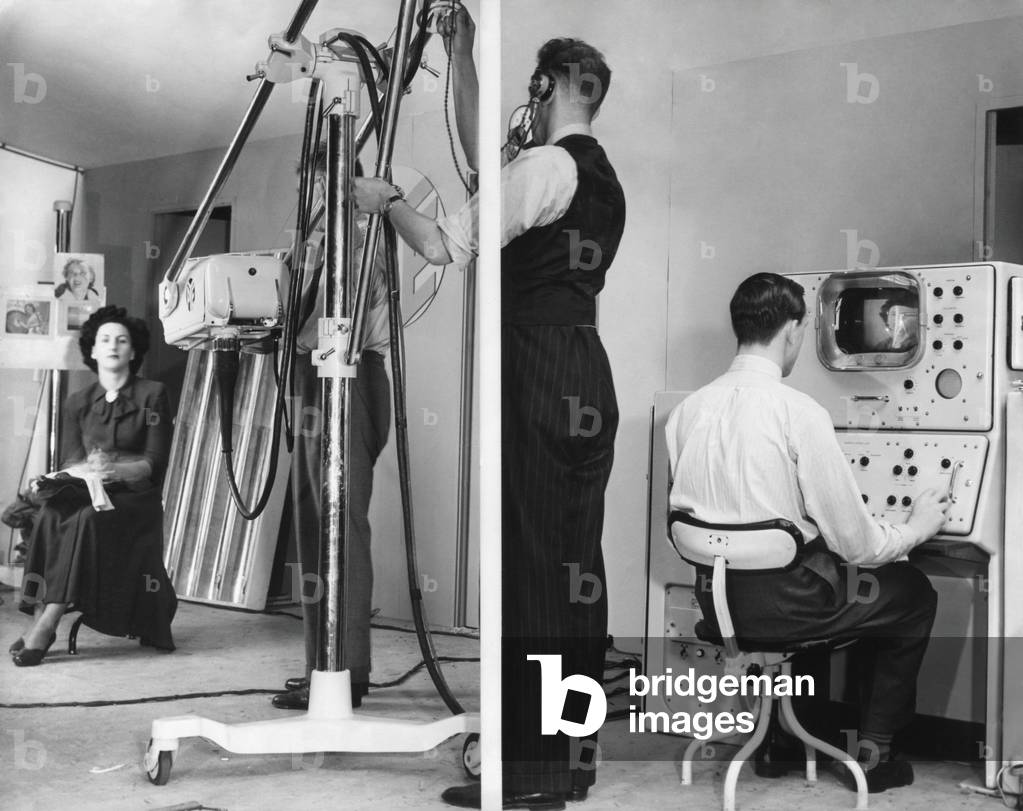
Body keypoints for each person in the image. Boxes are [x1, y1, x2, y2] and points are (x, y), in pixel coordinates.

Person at [354, 15, 624, 809]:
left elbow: (442, 245)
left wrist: (384, 199)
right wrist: (463, 55)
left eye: (531, 91)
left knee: (530, 570)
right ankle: (570, 756)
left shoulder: (544, 166)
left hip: (536, 372)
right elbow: (487, 171)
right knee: (573, 566)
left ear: (545, 88)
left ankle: (530, 776)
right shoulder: (594, 175)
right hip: (582, 369)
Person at [664, 272, 949, 793]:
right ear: (793, 329)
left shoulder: (685, 413)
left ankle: (783, 742)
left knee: (816, 569)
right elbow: (857, 544)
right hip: (791, 607)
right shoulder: (800, 413)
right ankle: (876, 752)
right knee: (909, 592)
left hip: (722, 606)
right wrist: (914, 528)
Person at [270, 153, 392, 712]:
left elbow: (329, 318)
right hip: (315, 374)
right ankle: (325, 666)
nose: (312, 197)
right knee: (315, 525)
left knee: (340, 524)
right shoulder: (313, 241)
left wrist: (282, 326)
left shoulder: (358, 236)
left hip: (346, 373)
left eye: (319, 185)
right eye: (307, 187)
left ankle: (349, 668)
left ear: (342, 182)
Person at [12, 305, 176, 666]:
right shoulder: (77, 402)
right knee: (49, 514)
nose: (113, 346)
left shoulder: (153, 394)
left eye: (122, 340)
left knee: (87, 519)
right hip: (91, 490)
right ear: (93, 351)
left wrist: (114, 471)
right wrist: (85, 468)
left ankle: (49, 620)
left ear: (133, 351)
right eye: (105, 340)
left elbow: (154, 462)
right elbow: (73, 461)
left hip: (135, 499)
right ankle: (40, 610)